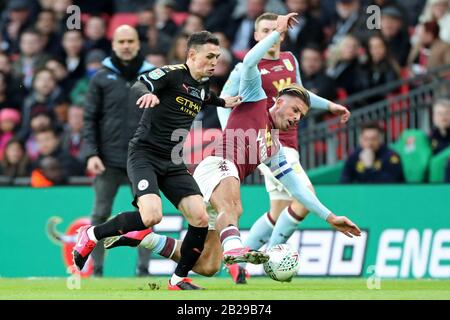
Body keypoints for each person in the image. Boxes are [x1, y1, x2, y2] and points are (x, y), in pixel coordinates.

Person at [103, 13, 361, 285]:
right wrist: (277, 33)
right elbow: (249, 61)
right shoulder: (256, 97)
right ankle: (235, 248)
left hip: (219, 179)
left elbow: (298, 189)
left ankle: (147, 238)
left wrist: (330, 216)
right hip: (216, 166)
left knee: (208, 265)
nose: (297, 117)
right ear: (280, 101)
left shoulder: (274, 149)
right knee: (234, 205)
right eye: (295, 110)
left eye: (302, 115)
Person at [73, 30, 241, 290]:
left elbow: (202, 97)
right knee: (151, 217)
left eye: (217, 57)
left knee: (199, 217)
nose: (214, 61)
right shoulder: (171, 73)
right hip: (144, 155)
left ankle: (178, 279)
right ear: (192, 55)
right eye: (209, 56)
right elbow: (142, 82)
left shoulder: (202, 84)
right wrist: (148, 93)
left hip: (173, 161)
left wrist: (222, 102)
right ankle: (92, 233)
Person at [217, 12, 351, 283]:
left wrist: (329, 105)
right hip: (268, 143)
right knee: (304, 198)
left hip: (288, 142)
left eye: (275, 31)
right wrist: (234, 136)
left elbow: (300, 93)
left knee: (278, 212)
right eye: (265, 30)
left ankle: (238, 262)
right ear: (256, 36)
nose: (272, 36)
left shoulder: (289, 59)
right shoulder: (246, 69)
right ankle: (272, 257)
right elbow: (225, 101)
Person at [81, 25, 155, 277]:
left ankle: (143, 269)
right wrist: (91, 153)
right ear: (113, 44)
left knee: (148, 213)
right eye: (121, 41)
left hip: (141, 159)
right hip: (107, 160)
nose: (125, 45)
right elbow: (89, 118)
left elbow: (161, 118)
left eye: (130, 41)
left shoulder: (152, 77)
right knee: (100, 214)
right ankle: (97, 271)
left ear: (137, 44)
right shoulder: (100, 78)